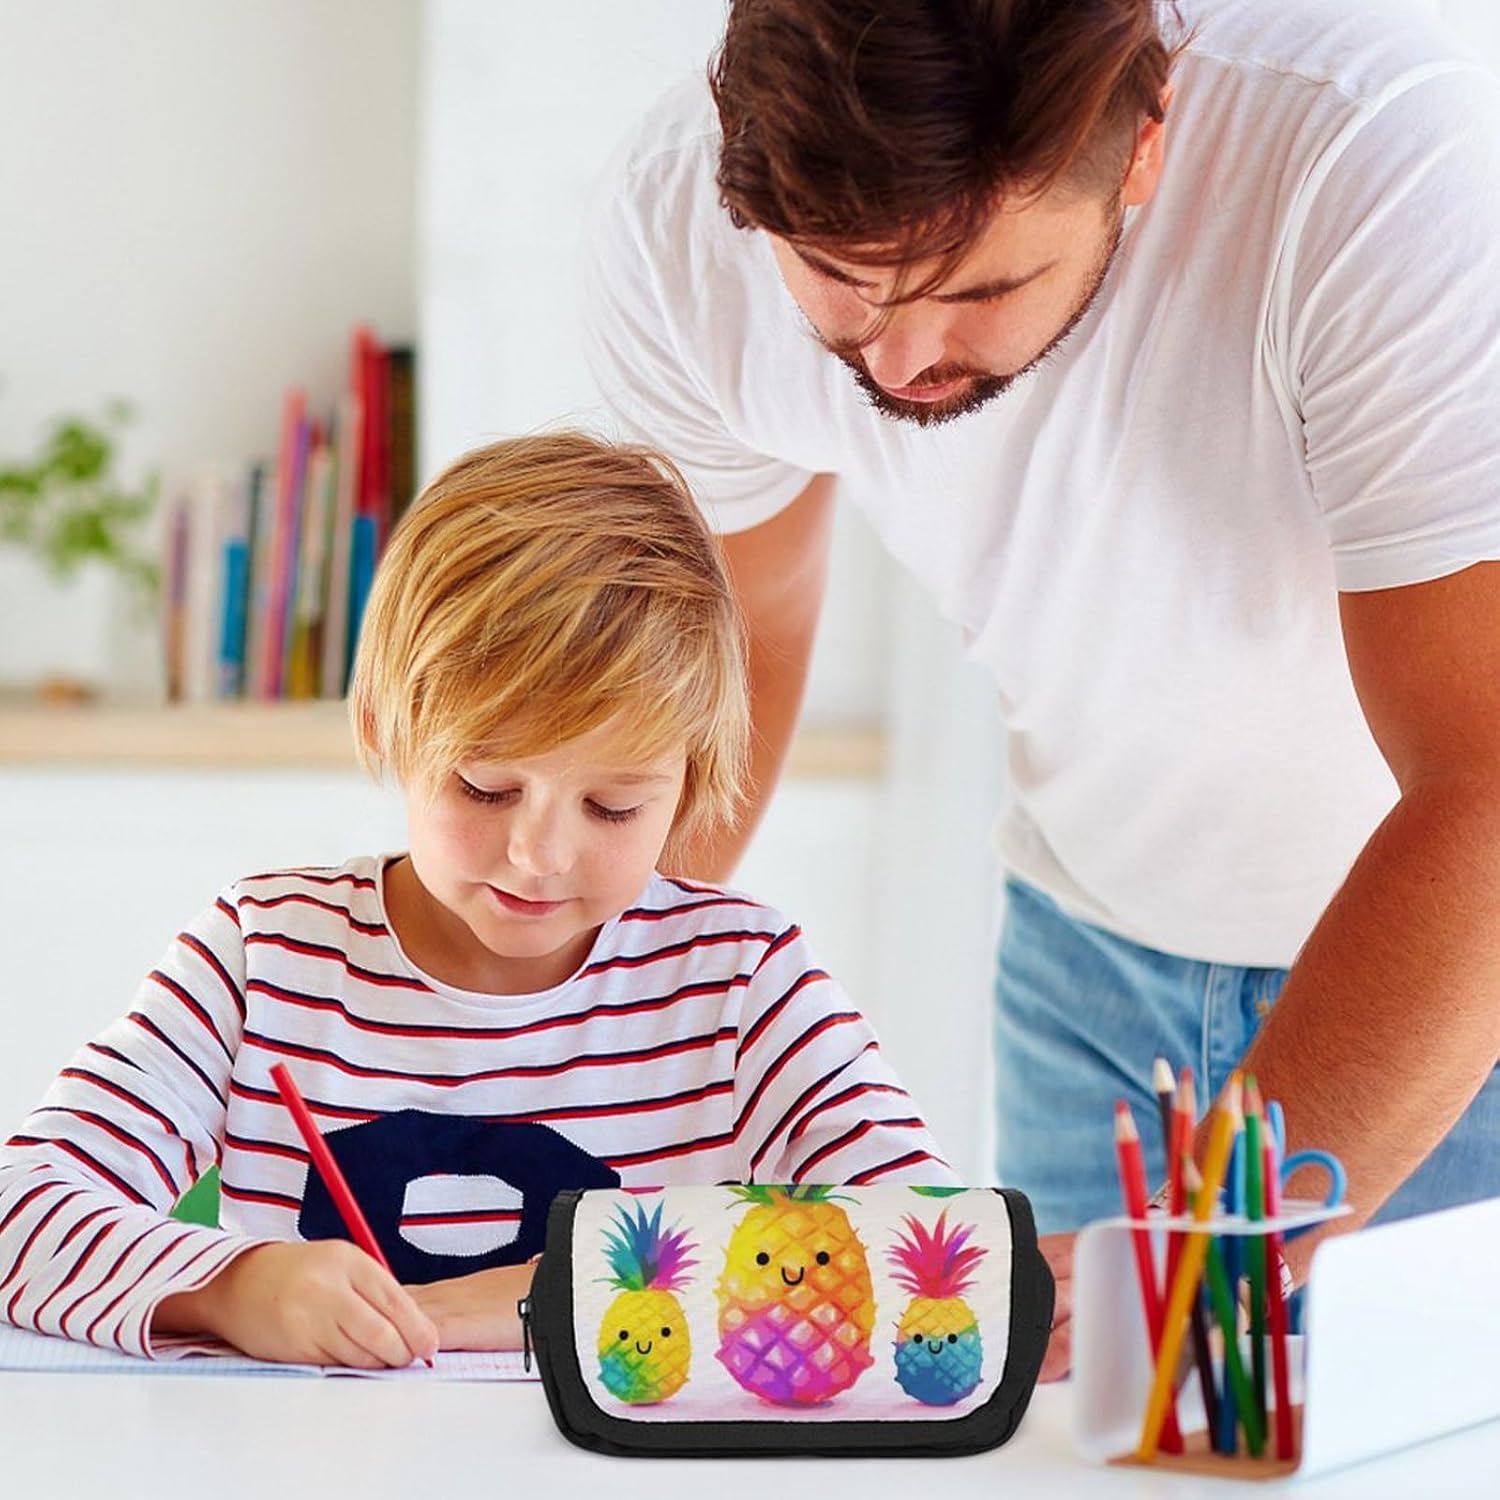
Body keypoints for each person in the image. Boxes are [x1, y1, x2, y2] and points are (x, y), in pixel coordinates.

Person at [579, 0, 1500, 1335]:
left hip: (1447, 986)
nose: (898, 360)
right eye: (837, 279)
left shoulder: (1377, 161)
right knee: (1082, 1437)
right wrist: (578, 1024)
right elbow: (744, 634)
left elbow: (1484, 788)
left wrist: (1209, 1248)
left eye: (979, 291)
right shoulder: (686, 217)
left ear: (1147, 142)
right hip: (1090, 966)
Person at [0, 433, 954, 1368]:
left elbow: (939, 1256)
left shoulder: (742, 983)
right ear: (386, 724)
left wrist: (556, 1292)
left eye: (613, 806)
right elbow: (19, 1204)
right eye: (486, 788)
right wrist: (231, 1286)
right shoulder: (265, 955)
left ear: (691, 778)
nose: (539, 856)